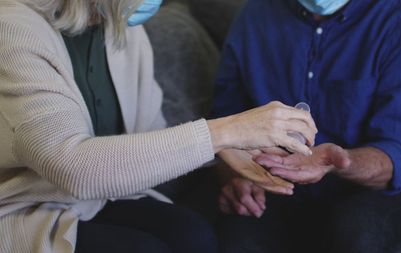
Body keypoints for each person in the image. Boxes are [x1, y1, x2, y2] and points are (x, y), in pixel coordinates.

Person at [0, 0, 318, 253]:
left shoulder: (121, 27)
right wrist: (227, 132)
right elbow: (73, 169)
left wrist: (225, 152)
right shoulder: (13, 28)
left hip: (98, 199)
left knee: (194, 234)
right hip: (25, 210)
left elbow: (150, 131)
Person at [211, 0, 401, 252]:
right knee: (237, 239)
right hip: (272, 182)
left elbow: (398, 155)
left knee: (358, 233)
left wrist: (340, 161)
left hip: (364, 189)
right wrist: (234, 175)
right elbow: (222, 123)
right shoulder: (255, 15)